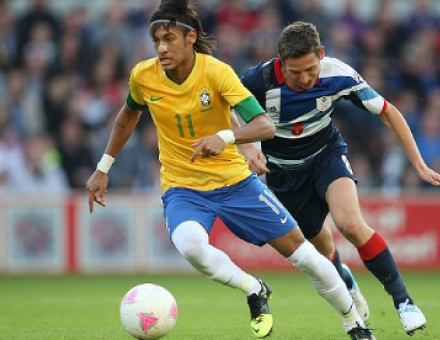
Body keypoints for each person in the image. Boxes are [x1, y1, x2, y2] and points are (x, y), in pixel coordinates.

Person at [85, 2, 376, 340]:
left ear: (190, 36)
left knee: (306, 257)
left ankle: (354, 322)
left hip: (237, 184)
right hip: (183, 187)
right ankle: (254, 289)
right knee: (190, 245)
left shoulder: (217, 73)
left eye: (168, 39)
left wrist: (225, 137)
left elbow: (264, 126)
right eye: (156, 41)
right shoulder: (143, 76)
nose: (161, 48)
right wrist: (103, 167)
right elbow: (127, 116)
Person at [237, 21, 440, 336]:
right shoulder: (258, 79)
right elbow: (225, 107)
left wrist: (419, 164)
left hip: (326, 155)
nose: (305, 79)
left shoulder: (337, 73)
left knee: (350, 224)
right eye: (295, 72)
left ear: (321, 54)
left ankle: (404, 303)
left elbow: (387, 111)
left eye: (310, 69)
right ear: (281, 62)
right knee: (322, 250)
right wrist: (245, 145)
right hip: (282, 173)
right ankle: (346, 280)